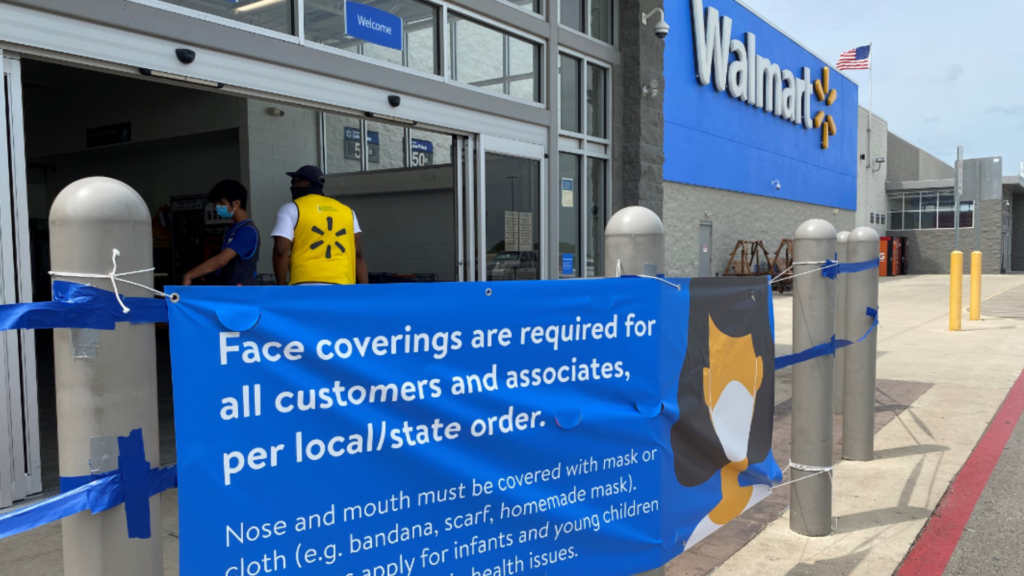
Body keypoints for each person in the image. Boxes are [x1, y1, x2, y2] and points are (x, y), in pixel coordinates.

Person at [271, 165, 368, 285]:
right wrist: (366, 291)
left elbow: (280, 251)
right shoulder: (348, 211)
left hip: (305, 284)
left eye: (294, 181)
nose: (291, 186)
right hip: (342, 285)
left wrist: (281, 288)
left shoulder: (291, 208)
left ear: (305, 183)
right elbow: (358, 254)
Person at [183, 180, 260, 286]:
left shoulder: (247, 231)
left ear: (236, 203)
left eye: (221, 203)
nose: (217, 207)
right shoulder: (234, 228)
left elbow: (221, 261)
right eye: (217, 203)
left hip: (239, 293)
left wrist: (189, 275)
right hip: (227, 290)